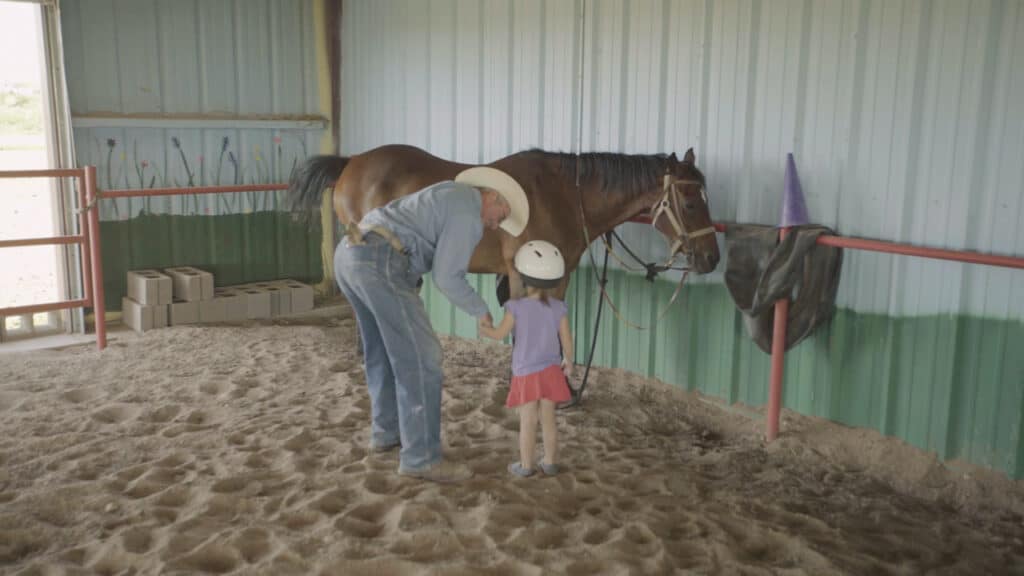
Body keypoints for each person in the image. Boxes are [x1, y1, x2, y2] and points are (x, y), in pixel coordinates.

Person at [334, 167, 529, 483]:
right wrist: (479, 310)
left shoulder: (447, 193)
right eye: (501, 213)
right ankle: (420, 458)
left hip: (349, 254)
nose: (496, 224)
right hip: (380, 262)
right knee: (423, 358)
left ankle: (386, 433)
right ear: (491, 196)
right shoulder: (468, 211)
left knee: (382, 350)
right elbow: (446, 277)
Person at [479, 240, 574, 477]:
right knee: (549, 420)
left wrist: (485, 329)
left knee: (528, 422)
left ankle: (526, 465)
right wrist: (569, 361)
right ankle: (550, 462)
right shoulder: (559, 308)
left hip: (526, 373)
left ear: (524, 276)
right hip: (552, 371)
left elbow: (500, 333)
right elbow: (567, 340)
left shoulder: (515, 307)